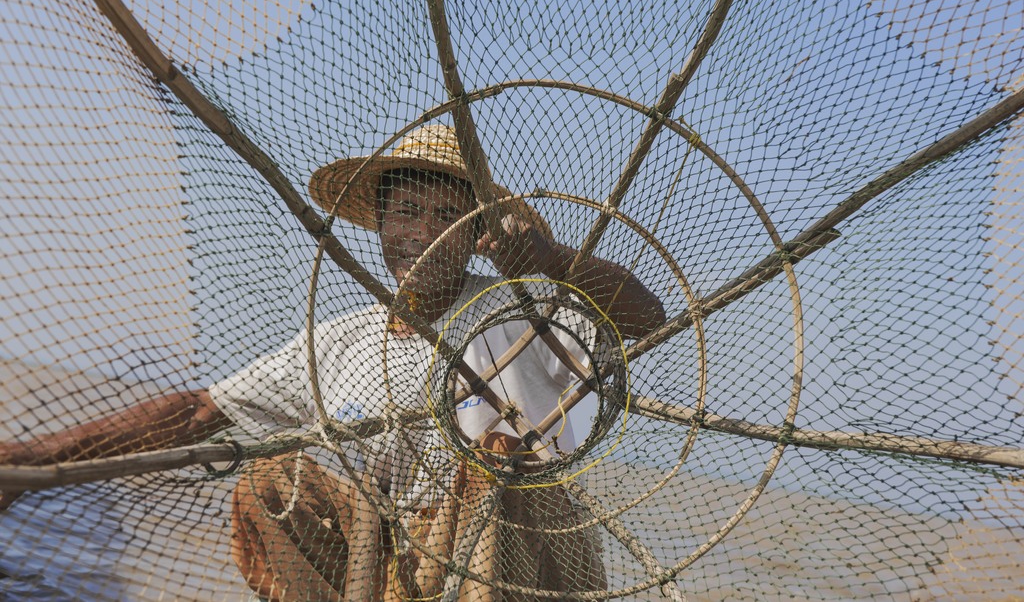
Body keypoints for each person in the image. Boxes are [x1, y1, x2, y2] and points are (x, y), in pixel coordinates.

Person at [0, 125, 665, 601]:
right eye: (406, 210)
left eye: (446, 215)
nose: (423, 231)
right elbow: (202, 408)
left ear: (474, 236)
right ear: (379, 224)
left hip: (518, 564)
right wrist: (32, 461)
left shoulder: (520, 310)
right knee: (268, 479)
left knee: (494, 460)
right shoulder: (344, 341)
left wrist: (548, 263)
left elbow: (646, 318)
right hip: (394, 575)